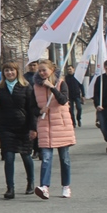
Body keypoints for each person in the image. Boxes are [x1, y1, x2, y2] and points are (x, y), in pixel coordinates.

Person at [0, 62, 36, 199]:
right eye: (6, 71)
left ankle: (30, 182)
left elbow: (31, 109)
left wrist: (33, 128)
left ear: (17, 72)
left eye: (12, 70)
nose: (9, 73)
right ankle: (10, 188)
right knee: (9, 157)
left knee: (26, 156)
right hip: (6, 127)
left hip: (23, 126)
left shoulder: (26, 87)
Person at [32, 60, 74, 199]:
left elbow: (63, 100)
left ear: (51, 70)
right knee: (46, 158)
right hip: (45, 125)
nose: (42, 73)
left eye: (44, 70)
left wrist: (52, 88)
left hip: (61, 126)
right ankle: (44, 186)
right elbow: (31, 106)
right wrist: (39, 111)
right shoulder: (35, 87)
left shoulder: (61, 83)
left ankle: (66, 186)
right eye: (40, 70)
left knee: (64, 159)